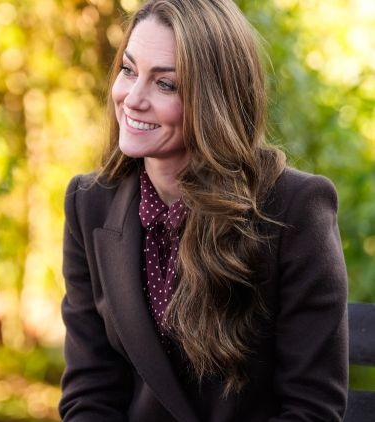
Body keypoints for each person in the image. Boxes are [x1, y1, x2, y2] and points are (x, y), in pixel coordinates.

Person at [58, 0, 348, 421]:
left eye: (165, 84)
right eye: (128, 70)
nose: (132, 99)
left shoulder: (295, 208)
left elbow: (311, 409)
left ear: (215, 99)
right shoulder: (88, 203)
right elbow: (90, 393)